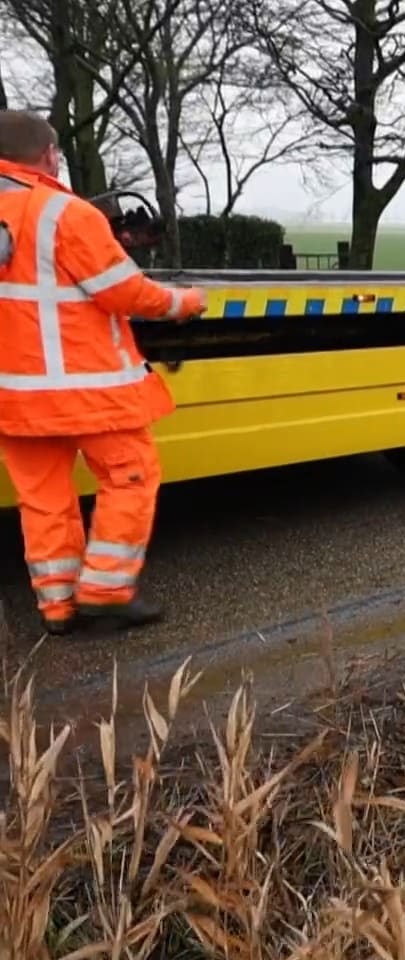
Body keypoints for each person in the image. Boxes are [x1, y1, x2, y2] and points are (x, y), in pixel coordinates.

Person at [0, 110, 205, 636]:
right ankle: (107, 589)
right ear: (47, 155)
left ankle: (58, 605)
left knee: (43, 499)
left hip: (13, 398)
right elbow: (126, 292)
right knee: (130, 476)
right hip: (88, 392)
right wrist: (184, 302)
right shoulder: (65, 213)